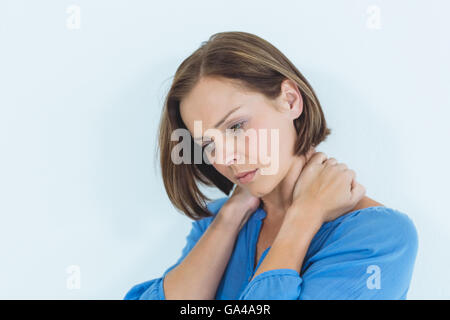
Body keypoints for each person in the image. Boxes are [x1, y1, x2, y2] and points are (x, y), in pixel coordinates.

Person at [123, 31, 418, 300]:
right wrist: (230, 217)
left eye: (236, 126)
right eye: (207, 145)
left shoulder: (379, 235)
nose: (224, 159)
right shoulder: (215, 221)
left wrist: (303, 217)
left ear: (290, 101)